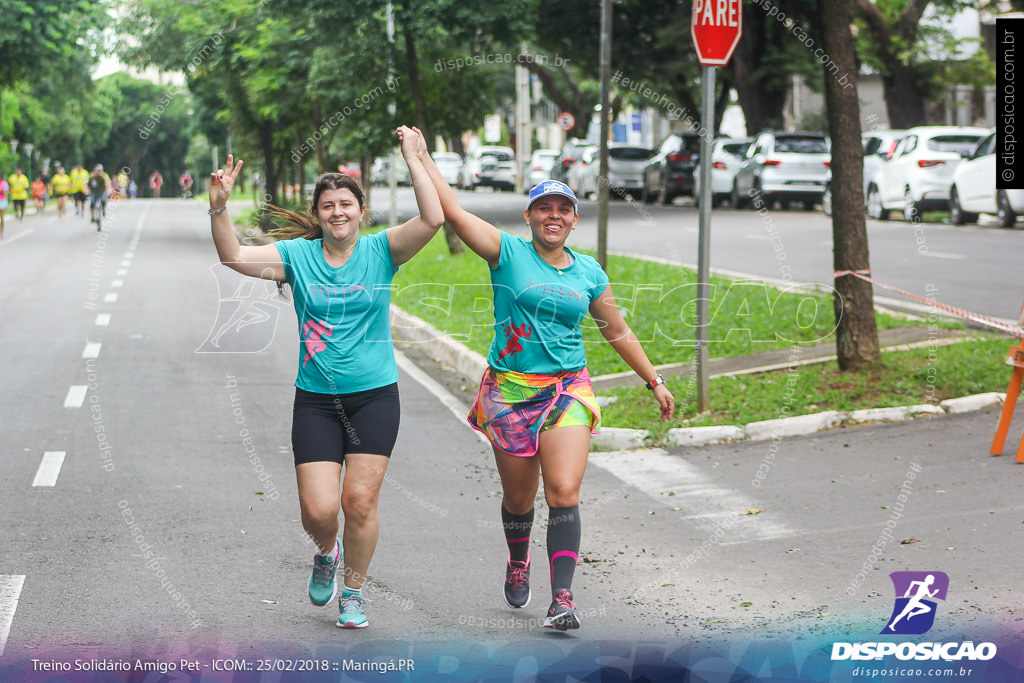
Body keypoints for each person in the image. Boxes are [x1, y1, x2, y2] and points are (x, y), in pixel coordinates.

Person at [417, 137, 675, 631]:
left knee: (563, 489)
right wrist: (423, 158)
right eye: (543, 208)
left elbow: (615, 329)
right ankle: (518, 559)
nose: (553, 216)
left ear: (574, 219)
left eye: (563, 208)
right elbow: (451, 210)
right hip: (510, 392)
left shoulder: (588, 272)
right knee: (519, 499)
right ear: (530, 216)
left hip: (566, 390)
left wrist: (653, 380)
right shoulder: (505, 252)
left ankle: (562, 598)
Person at [207, 126, 442, 630]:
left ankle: (353, 592)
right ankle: (326, 551)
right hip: (316, 400)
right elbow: (234, 258)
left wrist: (413, 158)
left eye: (346, 204)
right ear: (317, 215)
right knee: (318, 510)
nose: (338, 212)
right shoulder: (298, 258)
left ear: (361, 210)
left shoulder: (383, 252)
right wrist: (218, 207)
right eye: (328, 205)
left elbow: (433, 217)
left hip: (375, 396)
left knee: (359, 501)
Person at [87, 165, 112, 229]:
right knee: (92, 203)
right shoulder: (91, 177)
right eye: (97, 171)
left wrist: (108, 191)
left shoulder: (103, 176)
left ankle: (103, 209)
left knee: (103, 201)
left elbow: (107, 183)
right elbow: (86, 185)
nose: (98, 172)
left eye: (99, 171)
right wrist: (87, 191)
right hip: (94, 192)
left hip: (101, 192)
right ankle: (92, 216)